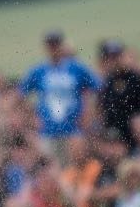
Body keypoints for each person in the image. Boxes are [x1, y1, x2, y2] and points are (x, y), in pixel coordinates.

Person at [19, 31, 100, 160]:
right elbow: (21, 93)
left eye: (56, 45)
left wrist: (88, 111)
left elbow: (96, 88)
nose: (54, 49)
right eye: (50, 45)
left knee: (75, 166)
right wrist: (32, 116)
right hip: (47, 130)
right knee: (51, 166)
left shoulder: (77, 68)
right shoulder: (38, 71)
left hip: (74, 128)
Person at [97, 40, 140, 152]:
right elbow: (101, 108)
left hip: (134, 134)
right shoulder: (106, 81)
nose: (113, 61)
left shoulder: (135, 78)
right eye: (109, 58)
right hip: (113, 135)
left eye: (116, 57)